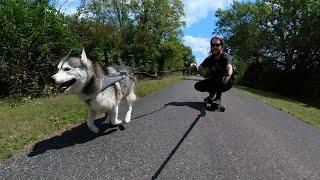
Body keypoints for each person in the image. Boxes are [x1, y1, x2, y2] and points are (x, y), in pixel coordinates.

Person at [194, 36, 233, 106]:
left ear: (222, 47)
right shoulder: (209, 59)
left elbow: (229, 67)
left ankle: (218, 98)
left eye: (217, 45)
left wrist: (228, 75)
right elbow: (200, 68)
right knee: (198, 86)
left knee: (220, 78)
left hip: (226, 81)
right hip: (214, 81)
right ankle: (212, 95)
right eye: (213, 45)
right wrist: (195, 67)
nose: (215, 47)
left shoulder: (225, 57)